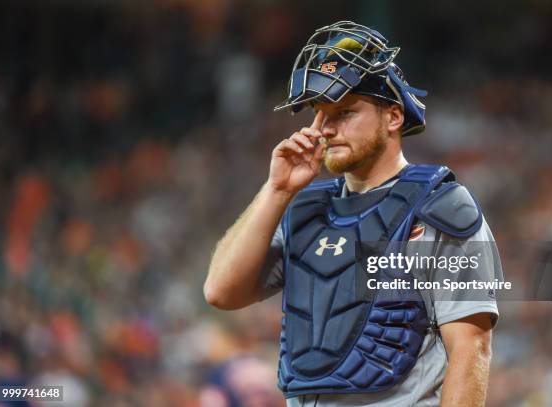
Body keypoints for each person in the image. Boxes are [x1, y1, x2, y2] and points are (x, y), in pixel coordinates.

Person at [205, 21, 502, 407]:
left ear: (393, 117)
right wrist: (277, 190)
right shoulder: (305, 210)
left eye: (345, 112)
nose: (327, 128)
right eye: (320, 113)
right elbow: (221, 292)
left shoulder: (443, 208)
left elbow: (471, 349)